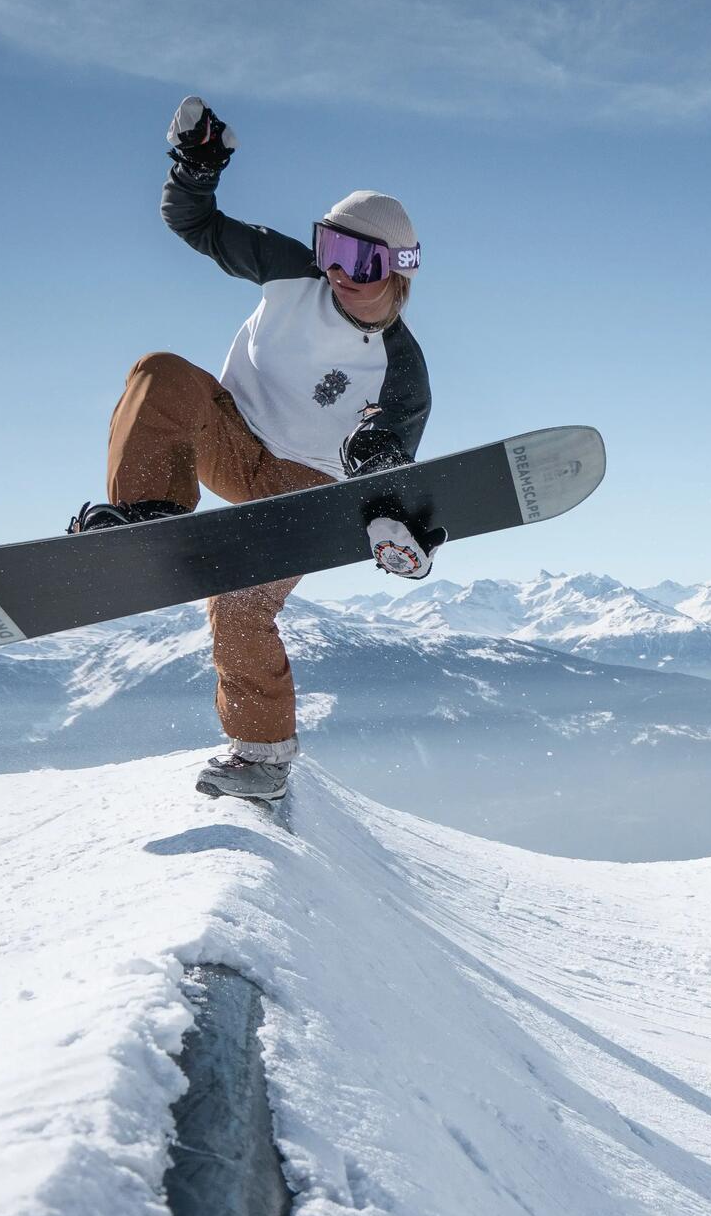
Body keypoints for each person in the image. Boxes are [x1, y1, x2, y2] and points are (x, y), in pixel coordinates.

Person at [71, 97, 438, 803]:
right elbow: (194, 224)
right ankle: (151, 516)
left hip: (306, 491)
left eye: (359, 261)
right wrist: (195, 169)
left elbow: (390, 467)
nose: (338, 274)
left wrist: (389, 502)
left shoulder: (404, 369)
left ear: (398, 271)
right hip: (232, 437)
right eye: (330, 250)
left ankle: (263, 756)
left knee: (238, 602)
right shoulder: (288, 268)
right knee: (160, 372)